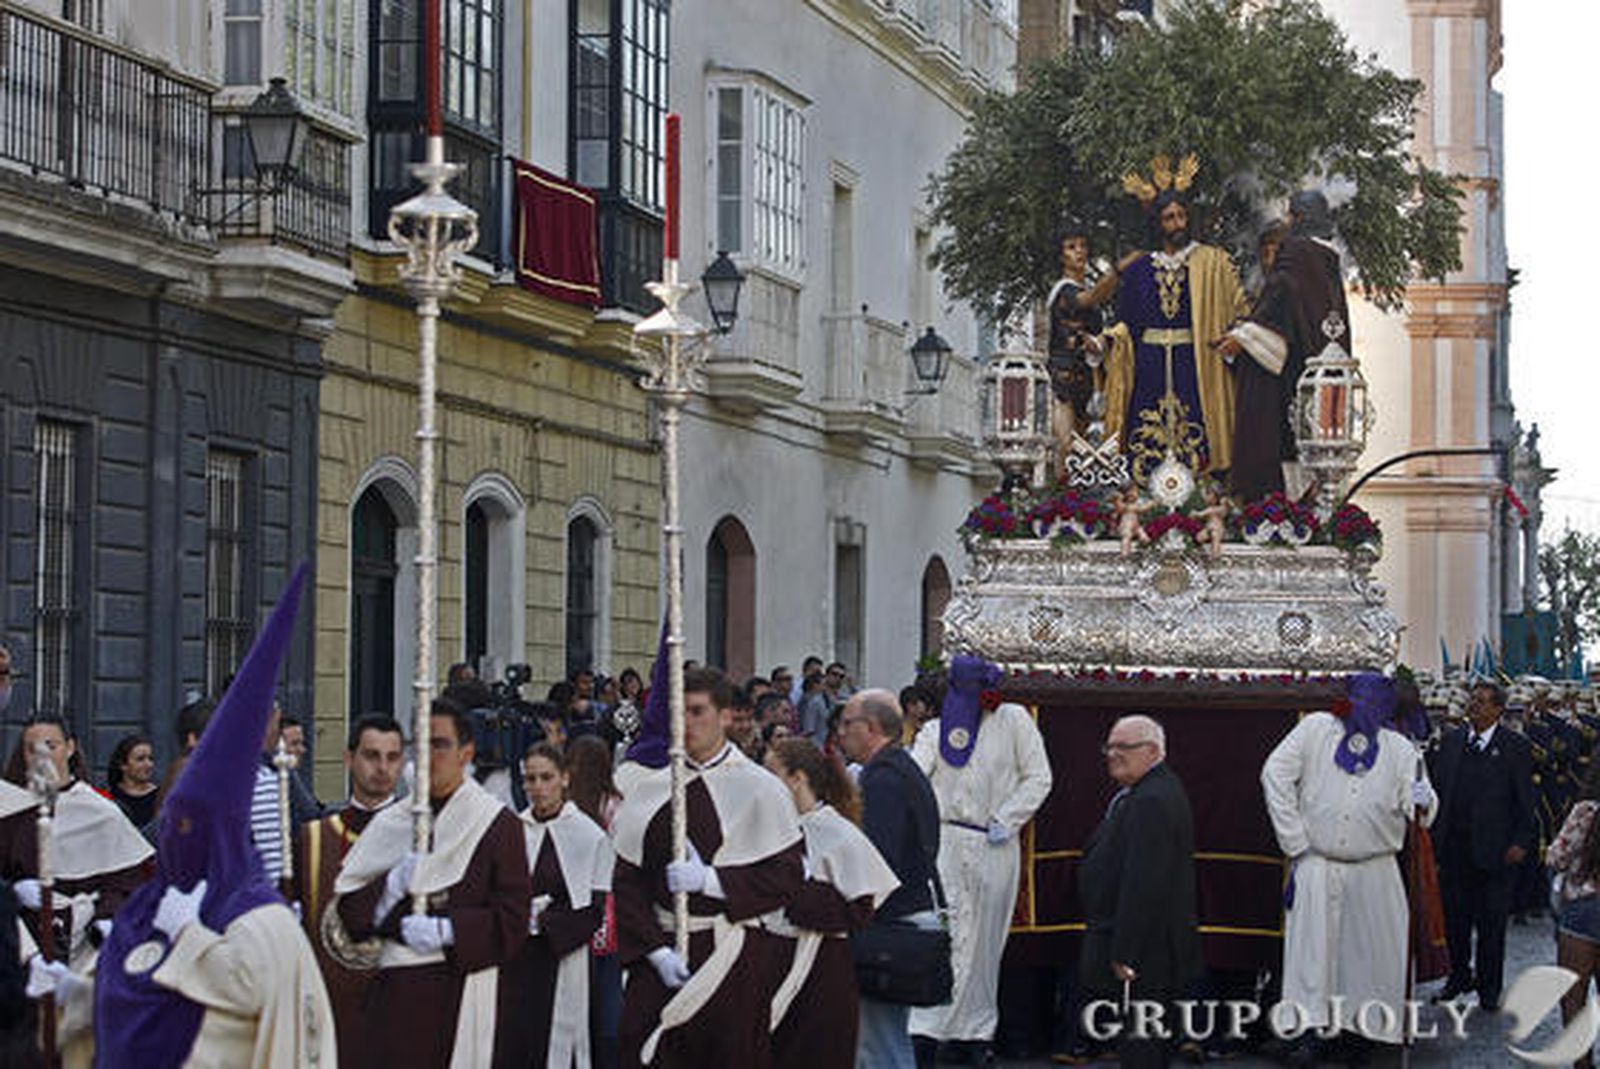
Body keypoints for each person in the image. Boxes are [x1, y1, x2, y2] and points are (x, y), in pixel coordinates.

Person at [92, 564, 337, 1067]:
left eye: (192, 826)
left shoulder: (261, 920)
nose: (179, 838)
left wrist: (191, 938)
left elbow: (251, 987)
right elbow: (128, 995)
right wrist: (71, 995)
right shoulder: (151, 905)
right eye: (174, 822)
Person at [611, 667, 804, 1068]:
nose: (687, 723)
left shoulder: (760, 789)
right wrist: (654, 950)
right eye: (680, 712)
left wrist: (713, 881)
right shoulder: (649, 789)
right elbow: (627, 884)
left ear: (726, 717)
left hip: (729, 955)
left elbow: (786, 878)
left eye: (698, 711)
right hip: (661, 955)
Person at [332, 699, 532, 1067]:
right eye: (419, 744)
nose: (428, 756)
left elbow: (514, 920)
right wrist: (389, 887)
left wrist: (448, 930)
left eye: (439, 744)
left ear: (465, 753)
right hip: (396, 1001)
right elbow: (349, 914)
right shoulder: (394, 820)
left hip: (462, 993)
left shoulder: (497, 825)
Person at [1260, 674, 1437, 1055]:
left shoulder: (1401, 749)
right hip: (1317, 863)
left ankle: (1361, 1037)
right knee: (1313, 957)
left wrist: (1422, 799)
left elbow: (1419, 805)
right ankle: (1309, 1035)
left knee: (1367, 958)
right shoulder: (1315, 730)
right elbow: (1275, 774)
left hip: (1375, 869)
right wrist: (1295, 840)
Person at [909, 656, 1053, 1063]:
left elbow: (1038, 776)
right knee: (946, 935)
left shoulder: (1013, 722)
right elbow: (916, 777)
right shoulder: (935, 731)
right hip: (946, 845)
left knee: (985, 943)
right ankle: (927, 1028)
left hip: (993, 843)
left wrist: (1007, 818)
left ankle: (974, 1031)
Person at [1103, 158, 1249, 481]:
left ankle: (1202, 489)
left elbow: (1240, 309)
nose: (1177, 223)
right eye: (1169, 218)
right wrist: (1109, 340)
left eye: (1181, 216)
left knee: (1197, 428)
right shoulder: (1140, 269)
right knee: (1144, 432)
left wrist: (1239, 333)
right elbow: (1126, 321)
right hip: (1150, 362)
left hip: (1195, 360)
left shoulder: (1213, 263)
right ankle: (1143, 492)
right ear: (1158, 223)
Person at [763, 738, 899, 1069]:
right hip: (769, 960)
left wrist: (797, 890)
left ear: (797, 779)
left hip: (820, 968)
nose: (763, 783)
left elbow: (858, 909)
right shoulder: (766, 830)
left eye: (771, 774)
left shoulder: (837, 833)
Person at [1078, 715, 1200, 1069]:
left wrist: (1125, 953)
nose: (1113, 754)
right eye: (1110, 746)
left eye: (1124, 747)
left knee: (1141, 1048)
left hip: (1145, 954)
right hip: (1145, 947)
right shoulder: (1146, 792)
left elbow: (1144, 883)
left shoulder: (1152, 801)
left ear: (1153, 751)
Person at [1216, 189, 1352, 501]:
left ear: (1299, 217)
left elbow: (1281, 295)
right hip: (1320, 367)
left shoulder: (1296, 252)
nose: (1288, 221)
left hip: (1287, 375)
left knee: (1272, 436)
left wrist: (1241, 337)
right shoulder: (1327, 257)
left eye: (1291, 214)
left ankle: (1269, 508)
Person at [290, 712, 404, 1069]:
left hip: (401, 1010)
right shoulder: (312, 840)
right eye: (371, 755)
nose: (382, 768)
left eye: (392, 757)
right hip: (329, 1011)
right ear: (348, 758)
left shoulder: (423, 838)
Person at [836, 688, 940, 1069]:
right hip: (906, 915)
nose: (841, 732)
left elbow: (876, 860)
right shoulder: (901, 769)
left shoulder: (882, 779)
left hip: (888, 923)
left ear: (873, 727)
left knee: (877, 1047)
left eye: (848, 723)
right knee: (885, 1040)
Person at [3, 713, 154, 968]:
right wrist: (13, 893)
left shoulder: (101, 811)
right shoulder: (9, 808)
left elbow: (131, 881)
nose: (42, 755)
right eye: (31, 749)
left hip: (86, 949)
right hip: (22, 945)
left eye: (51, 746)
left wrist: (107, 916)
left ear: (70, 748)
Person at [500, 743, 613, 1069]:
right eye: (530, 779)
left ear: (564, 778)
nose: (537, 787)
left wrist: (543, 921)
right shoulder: (512, 831)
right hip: (518, 959)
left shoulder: (589, 836)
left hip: (565, 955)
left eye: (546, 777)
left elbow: (594, 909)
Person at [1429, 680, 1536, 1011]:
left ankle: (1489, 988)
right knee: (1455, 920)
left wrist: (1521, 841)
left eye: (1481, 702)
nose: (1473, 706)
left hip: (1496, 850)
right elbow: (1438, 790)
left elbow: (1526, 800)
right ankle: (1459, 975)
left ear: (1498, 709)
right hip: (1455, 849)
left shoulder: (1514, 745)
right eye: (1472, 701)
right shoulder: (1451, 742)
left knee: (1491, 924)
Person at [568, 734, 625, 1069]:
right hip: (608, 911)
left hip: (575, 907)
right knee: (607, 998)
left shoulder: (566, 806)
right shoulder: (617, 805)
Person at [1544, 758, 1600, 1069]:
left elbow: (1556, 856)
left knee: (1574, 997)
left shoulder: (1586, 812)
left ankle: (1582, 1061)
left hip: (1582, 910)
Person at [1046, 223, 1117, 453]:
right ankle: (1062, 487)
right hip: (1063, 379)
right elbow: (1089, 298)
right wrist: (1118, 271)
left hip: (1089, 378)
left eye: (1083, 246)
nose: (1079, 251)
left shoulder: (1082, 289)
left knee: (1087, 447)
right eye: (1071, 247)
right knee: (1065, 445)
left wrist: (1097, 345)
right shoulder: (1064, 291)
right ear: (1060, 256)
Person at [106, 733, 159, 829]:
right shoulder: (108, 797)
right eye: (140, 759)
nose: (148, 764)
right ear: (123, 765)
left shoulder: (160, 796)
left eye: (150, 759)